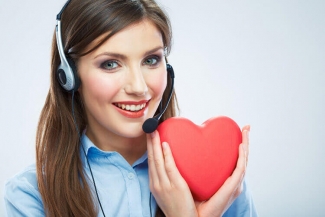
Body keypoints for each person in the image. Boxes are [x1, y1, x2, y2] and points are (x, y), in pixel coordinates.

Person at [4, 0, 258, 216]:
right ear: (69, 76)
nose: (139, 87)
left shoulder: (215, 175)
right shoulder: (30, 196)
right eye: (111, 64)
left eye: (151, 60)